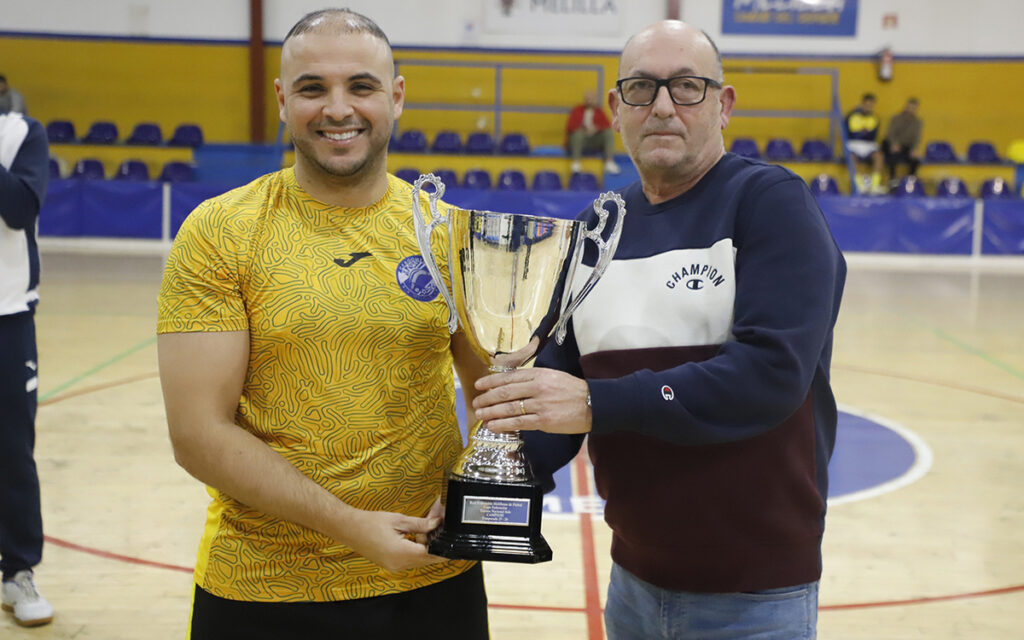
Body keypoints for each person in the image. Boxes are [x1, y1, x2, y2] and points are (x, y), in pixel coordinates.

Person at [472, 20, 845, 640]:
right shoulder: (599, 224)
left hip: (754, 596)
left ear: (723, 105)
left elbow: (770, 375)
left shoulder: (770, 203)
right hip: (633, 585)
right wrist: (495, 486)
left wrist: (596, 402)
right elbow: (558, 377)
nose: (664, 106)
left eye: (687, 87)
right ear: (616, 110)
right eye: (642, 89)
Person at [156, 9, 491, 639]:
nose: (338, 108)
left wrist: (474, 493)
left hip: (432, 577)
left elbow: (494, 396)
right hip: (264, 586)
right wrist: (351, 526)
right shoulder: (220, 231)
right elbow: (197, 434)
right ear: (284, 101)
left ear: (396, 96)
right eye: (313, 88)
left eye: (361, 86)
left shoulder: (448, 235)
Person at [0, 113, 52, 627]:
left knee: (12, 451)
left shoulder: (22, 134)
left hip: (7, 316)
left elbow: (18, 207)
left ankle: (17, 571)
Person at [566, 89, 620, 175]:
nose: (589, 101)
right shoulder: (577, 110)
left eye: (591, 99)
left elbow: (607, 125)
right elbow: (570, 127)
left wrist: (596, 128)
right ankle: (576, 163)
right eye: (587, 99)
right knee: (577, 134)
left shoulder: (599, 111)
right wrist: (583, 129)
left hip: (594, 138)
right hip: (581, 139)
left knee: (608, 133)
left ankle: (609, 162)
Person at [844, 92, 884, 193]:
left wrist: (862, 132)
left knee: (879, 157)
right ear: (862, 104)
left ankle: (875, 185)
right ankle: (858, 185)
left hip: (868, 145)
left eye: (871, 105)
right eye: (867, 105)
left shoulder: (875, 118)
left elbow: (872, 136)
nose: (869, 107)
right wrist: (864, 133)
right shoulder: (852, 116)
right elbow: (853, 134)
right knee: (852, 157)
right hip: (854, 144)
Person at [881, 97, 922, 183]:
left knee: (915, 159)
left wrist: (914, 149)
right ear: (906, 107)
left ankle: (911, 180)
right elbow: (890, 134)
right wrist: (894, 144)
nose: (911, 110)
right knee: (893, 156)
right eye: (910, 107)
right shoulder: (896, 118)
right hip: (893, 144)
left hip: (906, 147)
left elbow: (917, 138)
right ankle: (892, 179)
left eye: (914, 108)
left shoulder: (918, 122)